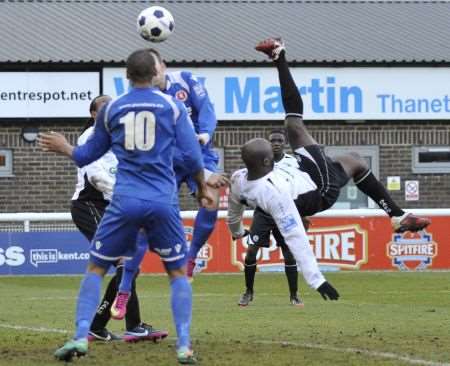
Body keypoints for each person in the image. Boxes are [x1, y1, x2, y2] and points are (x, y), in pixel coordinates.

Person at [39, 48, 215, 364]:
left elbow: (84, 156)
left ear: (126, 76)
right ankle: (184, 346)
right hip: (162, 200)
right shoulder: (174, 107)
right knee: (176, 272)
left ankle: (80, 338)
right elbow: (192, 157)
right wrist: (202, 188)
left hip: (124, 201)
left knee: (95, 267)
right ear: (156, 74)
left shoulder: (113, 109)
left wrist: (66, 146)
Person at [70, 94, 168, 342]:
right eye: (103, 108)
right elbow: (96, 178)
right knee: (125, 264)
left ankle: (99, 326)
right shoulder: (90, 137)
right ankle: (132, 326)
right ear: (93, 114)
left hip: (114, 207)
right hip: (90, 205)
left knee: (129, 267)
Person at [149, 49, 220, 280]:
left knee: (211, 202)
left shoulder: (186, 80)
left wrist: (205, 135)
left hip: (199, 152)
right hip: (168, 159)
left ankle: (191, 257)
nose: (153, 74)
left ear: (164, 66)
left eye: (155, 69)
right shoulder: (145, 98)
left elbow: (206, 108)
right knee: (159, 210)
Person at [237, 129, 305, 307]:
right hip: (263, 212)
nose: (276, 143)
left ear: (285, 143)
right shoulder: (259, 161)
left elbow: (299, 187)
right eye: (272, 140)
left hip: (284, 212)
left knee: (289, 254)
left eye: (279, 140)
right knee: (251, 251)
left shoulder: (293, 163)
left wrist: (303, 213)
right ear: (268, 144)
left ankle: (294, 295)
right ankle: (248, 292)